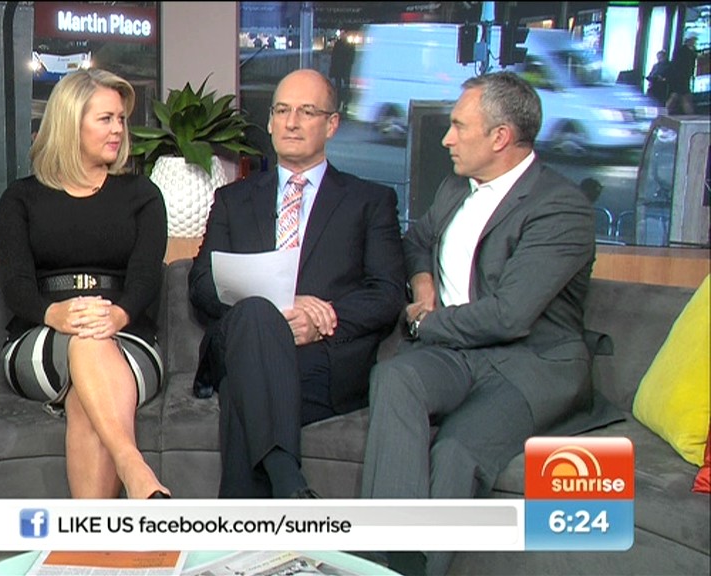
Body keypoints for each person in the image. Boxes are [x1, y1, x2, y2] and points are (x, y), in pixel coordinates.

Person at [359, 72, 620, 576]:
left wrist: (426, 324)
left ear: (500, 137)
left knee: (457, 450)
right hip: (457, 355)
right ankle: (385, 555)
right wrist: (422, 284)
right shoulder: (455, 188)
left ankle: (409, 569)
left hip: (529, 364)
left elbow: (509, 315)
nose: (446, 138)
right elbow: (417, 241)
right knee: (395, 376)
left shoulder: (561, 208)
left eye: (459, 126)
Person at [188, 68, 406, 499]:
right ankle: (290, 485)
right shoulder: (233, 199)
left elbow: (387, 292)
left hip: (320, 359)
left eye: (307, 112)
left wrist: (324, 319)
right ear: (270, 121)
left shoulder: (370, 201)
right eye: (282, 111)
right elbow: (202, 285)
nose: (291, 122)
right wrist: (281, 306)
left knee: (241, 393)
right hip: (242, 339)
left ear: (332, 124)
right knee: (256, 313)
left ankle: (246, 527)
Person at [0, 69, 169, 500]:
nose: (118, 129)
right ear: (70, 123)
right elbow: (16, 285)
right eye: (105, 119)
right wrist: (55, 313)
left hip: (128, 336)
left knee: (86, 398)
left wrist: (118, 315)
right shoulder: (20, 198)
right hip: (41, 333)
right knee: (87, 342)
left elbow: (146, 276)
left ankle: (91, 537)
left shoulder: (142, 195)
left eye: (121, 119)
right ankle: (133, 467)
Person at [667, 34, 698, 115]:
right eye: (693, 40)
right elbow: (680, 65)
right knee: (683, 95)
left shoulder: (689, 50)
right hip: (681, 77)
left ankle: (666, 111)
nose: (694, 42)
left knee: (677, 95)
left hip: (683, 77)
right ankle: (689, 113)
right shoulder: (683, 51)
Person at [328, 33, 356, 114]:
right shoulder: (346, 45)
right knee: (341, 88)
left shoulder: (339, 45)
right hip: (343, 70)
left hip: (341, 70)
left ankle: (342, 104)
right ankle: (342, 104)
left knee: (341, 87)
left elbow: (334, 58)